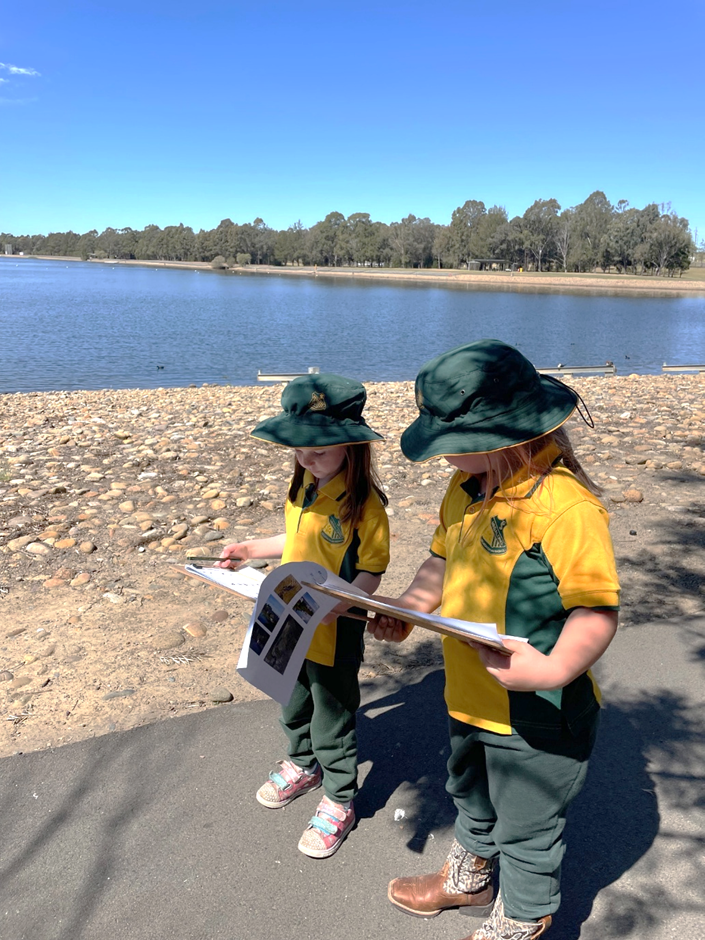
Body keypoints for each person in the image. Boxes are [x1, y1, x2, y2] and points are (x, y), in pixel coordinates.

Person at [368, 339, 620, 939]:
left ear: (506, 435)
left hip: (538, 712)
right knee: (469, 791)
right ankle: (471, 877)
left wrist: (553, 671)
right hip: (471, 696)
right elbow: (440, 561)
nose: (443, 458)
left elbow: (596, 611)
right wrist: (407, 608)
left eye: (454, 445)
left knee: (529, 825)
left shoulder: (565, 507)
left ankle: (525, 917)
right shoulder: (466, 487)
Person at [217, 373, 390, 859]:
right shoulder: (304, 488)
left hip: (335, 627)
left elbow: (373, 572)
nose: (307, 459)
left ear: (352, 446)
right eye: (299, 450)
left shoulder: (365, 506)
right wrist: (250, 549)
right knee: (292, 700)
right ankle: (301, 762)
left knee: (332, 713)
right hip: (289, 619)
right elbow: (292, 541)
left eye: (319, 450)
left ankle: (340, 797)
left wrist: (347, 599)